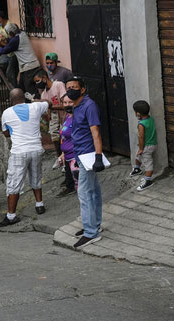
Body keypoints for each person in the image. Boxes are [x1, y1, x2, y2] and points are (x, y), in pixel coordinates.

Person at [0, 89, 49, 227]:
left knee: (14, 183)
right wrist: (34, 100)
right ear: (24, 98)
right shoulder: (36, 106)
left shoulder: (6, 113)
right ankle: (39, 204)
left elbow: (6, 133)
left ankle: (11, 216)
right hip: (36, 149)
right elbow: (48, 102)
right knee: (36, 176)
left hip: (19, 152)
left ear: (11, 100)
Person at [66, 76, 105, 249]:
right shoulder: (77, 106)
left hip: (88, 155)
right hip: (81, 154)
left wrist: (98, 156)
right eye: (68, 88)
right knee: (93, 191)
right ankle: (94, 224)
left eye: (74, 87)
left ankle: (91, 233)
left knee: (84, 193)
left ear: (82, 89)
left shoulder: (89, 106)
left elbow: (95, 132)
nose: (70, 90)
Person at [0, 22, 40, 98]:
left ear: (11, 33)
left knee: (30, 91)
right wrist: (4, 39)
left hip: (28, 67)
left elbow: (3, 51)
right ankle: (25, 101)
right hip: (29, 66)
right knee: (22, 89)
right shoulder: (22, 33)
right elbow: (11, 41)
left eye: (8, 33)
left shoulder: (15, 41)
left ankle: (35, 102)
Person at [33, 69, 66, 158]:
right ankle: (59, 157)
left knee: (65, 138)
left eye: (38, 81)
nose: (37, 84)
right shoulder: (44, 94)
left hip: (65, 116)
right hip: (55, 119)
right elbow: (48, 115)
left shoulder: (58, 85)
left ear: (44, 78)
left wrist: (49, 105)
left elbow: (65, 105)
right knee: (54, 136)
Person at [131, 100, 158, 191]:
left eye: (135, 112)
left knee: (148, 164)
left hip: (146, 146)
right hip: (153, 144)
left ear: (138, 113)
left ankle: (148, 181)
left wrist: (141, 148)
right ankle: (137, 169)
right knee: (138, 156)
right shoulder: (151, 119)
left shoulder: (141, 124)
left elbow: (141, 137)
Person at [57, 95, 78, 197]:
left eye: (70, 102)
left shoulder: (77, 118)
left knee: (81, 187)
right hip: (67, 156)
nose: (67, 105)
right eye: (65, 103)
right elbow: (63, 137)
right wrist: (63, 154)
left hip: (75, 157)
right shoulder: (67, 116)